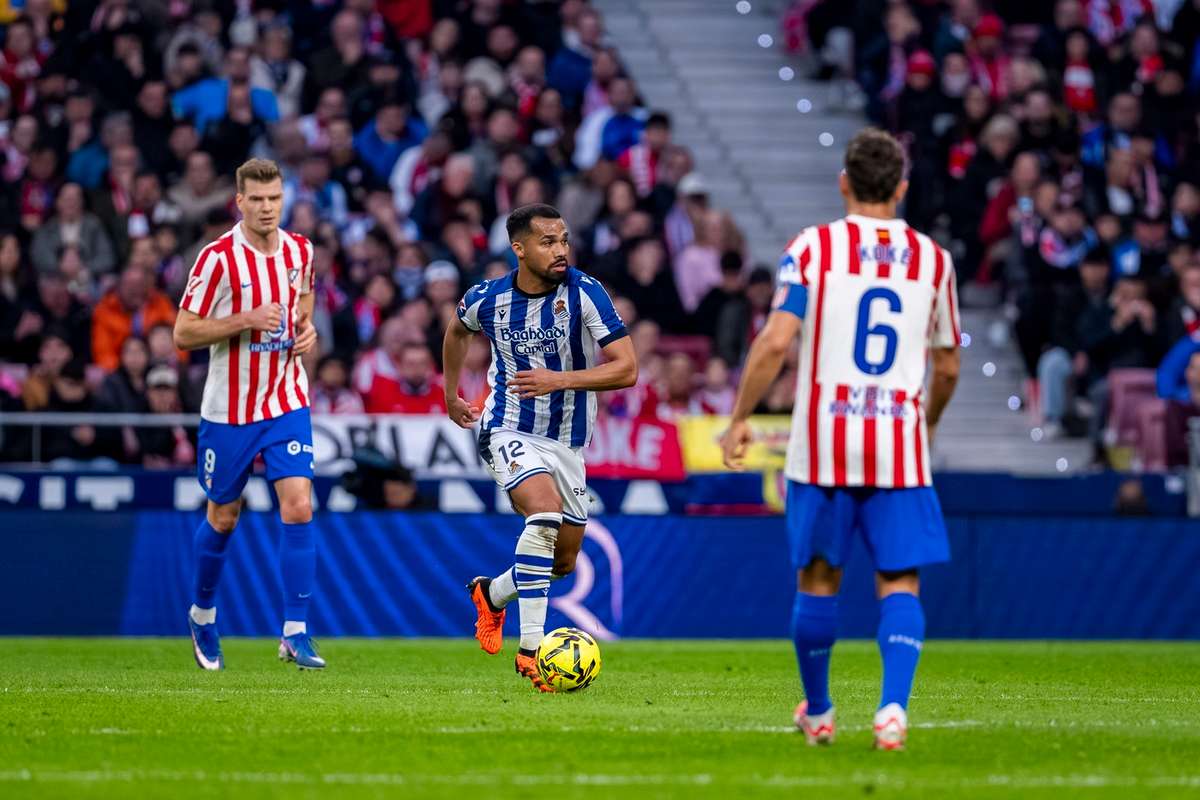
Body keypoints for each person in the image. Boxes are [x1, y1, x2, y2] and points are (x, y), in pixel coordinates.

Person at [720, 129, 961, 750]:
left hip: (824, 443)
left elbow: (776, 341)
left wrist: (740, 416)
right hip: (896, 444)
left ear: (844, 182)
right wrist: (925, 422)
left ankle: (822, 712)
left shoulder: (813, 248)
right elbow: (950, 364)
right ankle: (892, 712)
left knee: (819, 580)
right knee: (900, 581)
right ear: (902, 187)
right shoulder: (935, 260)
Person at [442, 203, 637, 692]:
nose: (560, 250)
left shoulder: (586, 292)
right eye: (548, 242)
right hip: (507, 426)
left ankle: (492, 594)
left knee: (564, 563)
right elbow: (455, 330)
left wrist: (560, 379)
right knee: (543, 515)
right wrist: (449, 394)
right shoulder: (486, 298)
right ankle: (531, 651)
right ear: (519, 248)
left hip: (568, 441)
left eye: (564, 240)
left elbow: (627, 368)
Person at [172, 158, 324, 671]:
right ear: (238, 201)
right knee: (224, 516)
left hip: (286, 400)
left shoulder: (301, 251)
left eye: (274, 198)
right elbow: (183, 333)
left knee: (299, 505)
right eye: (256, 199)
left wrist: (309, 332)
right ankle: (202, 614)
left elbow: (304, 311)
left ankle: (296, 631)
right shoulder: (217, 259)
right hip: (230, 410)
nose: (266, 208)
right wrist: (245, 320)